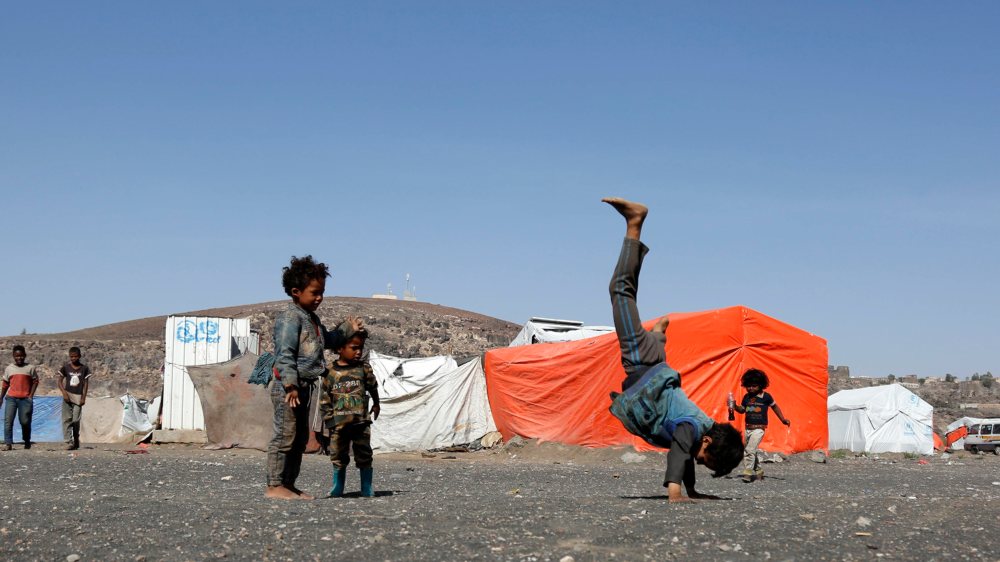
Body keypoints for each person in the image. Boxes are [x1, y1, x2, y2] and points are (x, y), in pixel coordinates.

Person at [603, 197, 744, 502]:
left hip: (655, 363)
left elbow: (687, 452)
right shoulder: (691, 430)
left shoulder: (698, 430)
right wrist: (675, 491)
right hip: (642, 361)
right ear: (708, 442)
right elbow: (681, 451)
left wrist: (693, 490)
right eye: (705, 460)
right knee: (621, 290)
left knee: (630, 302)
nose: (700, 462)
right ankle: (634, 223)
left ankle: (659, 335)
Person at [267, 255, 362, 500]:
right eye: (315, 292)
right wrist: (290, 385)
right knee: (285, 435)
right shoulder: (290, 318)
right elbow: (284, 354)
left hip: (304, 386)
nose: (319, 297)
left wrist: (348, 329)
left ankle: (289, 484)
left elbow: (328, 341)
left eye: (322, 292)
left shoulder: (312, 319)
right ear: (296, 292)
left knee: (299, 438)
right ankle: (275, 485)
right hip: (289, 388)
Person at [319, 328, 380, 498]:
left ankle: (366, 487)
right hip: (338, 424)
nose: (358, 352)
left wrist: (377, 404)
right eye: (354, 348)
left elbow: (373, 387)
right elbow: (325, 398)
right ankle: (337, 486)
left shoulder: (364, 368)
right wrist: (329, 420)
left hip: (360, 422)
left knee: (364, 453)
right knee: (338, 454)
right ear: (340, 348)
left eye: (361, 348)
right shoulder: (330, 371)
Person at [733, 368, 790, 482]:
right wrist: (734, 406)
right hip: (748, 428)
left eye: (754, 386)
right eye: (748, 386)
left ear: (761, 385)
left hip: (759, 429)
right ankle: (759, 471)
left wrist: (783, 419)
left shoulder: (766, 397)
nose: (751, 388)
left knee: (749, 450)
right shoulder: (747, 397)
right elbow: (742, 410)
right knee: (751, 450)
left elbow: (775, 407)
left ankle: (747, 473)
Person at [2, 345, 39, 451]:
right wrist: (1, 398)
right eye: (17, 356)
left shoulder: (30, 368)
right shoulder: (9, 368)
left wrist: (31, 395)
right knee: (8, 420)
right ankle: (8, 443)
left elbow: (35, 381)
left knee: (25, 421)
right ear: (13, 356)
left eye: (21, 355)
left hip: (25, 399)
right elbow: (5, 385)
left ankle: (27, 440)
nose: (19, 358)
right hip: (11, 398)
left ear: (25, 355)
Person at [58, 346, 92, 451]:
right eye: (71, 357)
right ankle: (69, 441)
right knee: (66, 419)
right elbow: (59, 382)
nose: (73, 358)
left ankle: (76, 438)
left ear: (79, 356)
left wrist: (83, 397)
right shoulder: (66, 368)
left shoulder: (84, 369)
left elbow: (85, 384)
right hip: (68, 395)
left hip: (78, 397)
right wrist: (64, 393)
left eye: (75, 356)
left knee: (76, 420)